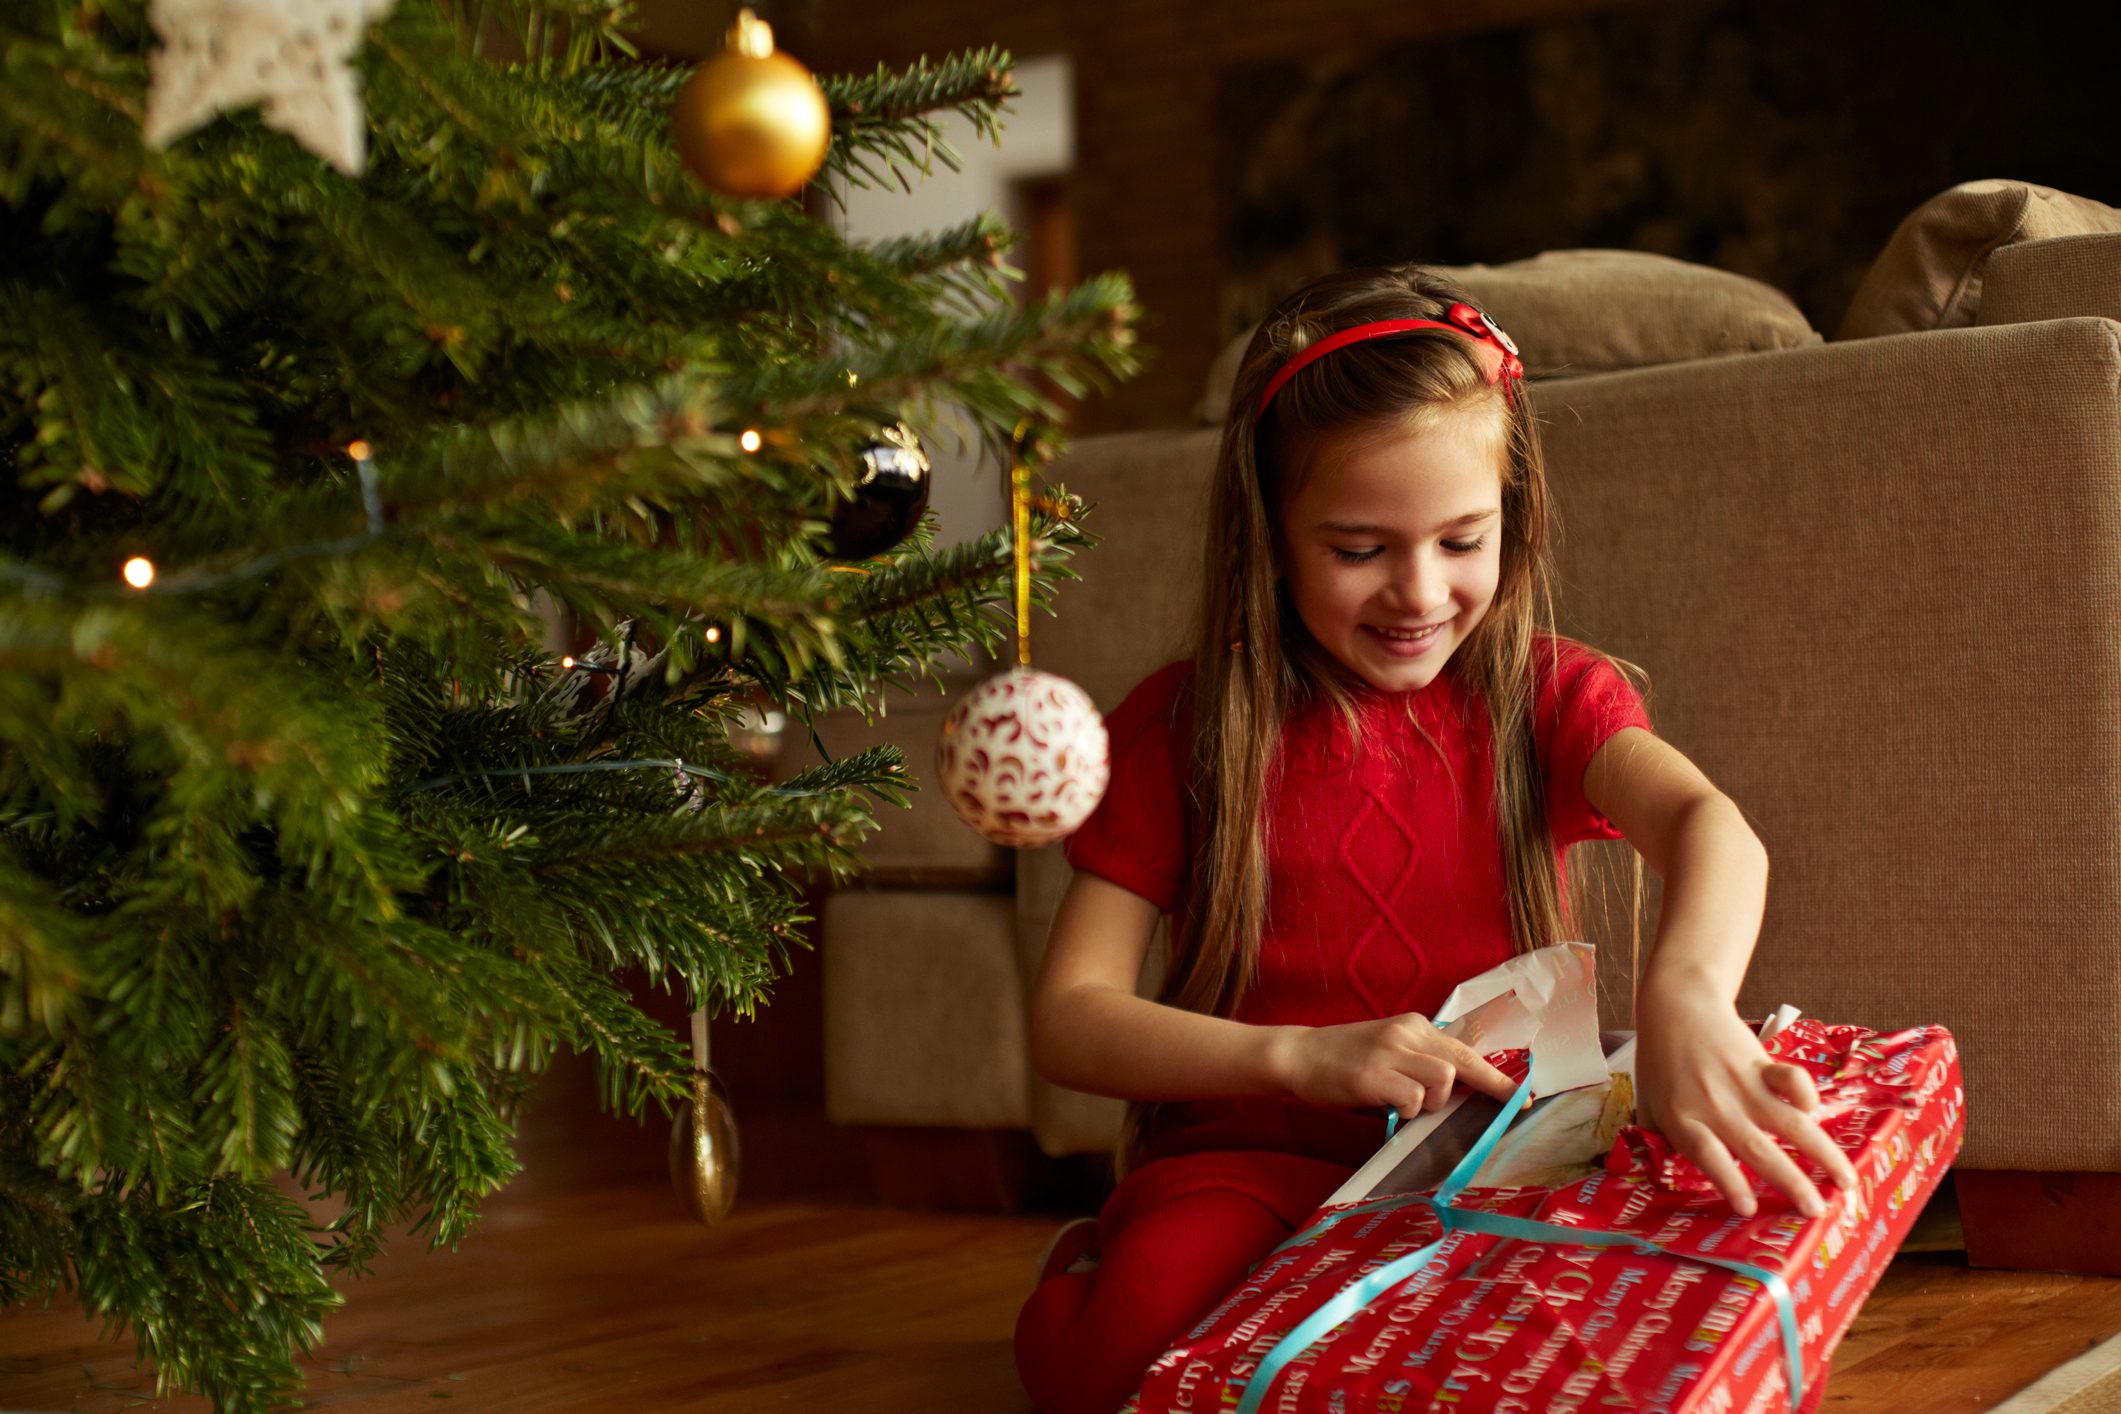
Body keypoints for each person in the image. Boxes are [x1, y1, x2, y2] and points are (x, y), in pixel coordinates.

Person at [1010, 264, 1863, 1414]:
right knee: (1119, 1364)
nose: (1419, 591)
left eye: (1463, 539)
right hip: (1249, 1164)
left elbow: (1712, 827)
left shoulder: (1552, 696)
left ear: (1514, 514)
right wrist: (1301, 1058)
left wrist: (1690, 995)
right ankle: (1096, 1261)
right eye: (1359, 549)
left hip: (1506, 1159)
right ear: (1268, 532)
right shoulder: (1182, 726)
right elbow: (1071, 1014)